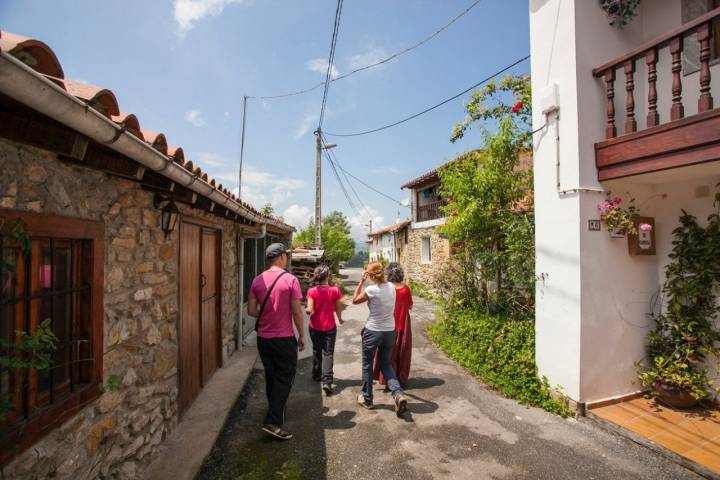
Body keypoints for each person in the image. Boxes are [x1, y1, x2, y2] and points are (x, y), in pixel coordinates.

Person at [248, 243, 305, 440]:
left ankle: (276, 412)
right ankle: (272, 422)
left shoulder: (257, 280)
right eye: (286, 256)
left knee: (272, 376)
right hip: (283, 338)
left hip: (263, 339)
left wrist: (267, 316)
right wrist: (302, 335)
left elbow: (251, 311)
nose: (287, 259)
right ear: (281, 257)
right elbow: (297, 311)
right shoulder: (290, 280)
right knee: (285, 376)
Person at [352, 261, 408, 416]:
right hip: (389, 331)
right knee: (386, 364)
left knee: (367, 365)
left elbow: (354, 300)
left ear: (370, 275)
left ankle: (367, 398)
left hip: (373, 331)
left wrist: (360, 282)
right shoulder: (391, 287)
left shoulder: (371, 290)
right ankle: (397, 393)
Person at [305, 265, 344, 396]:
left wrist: (309, 310)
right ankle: (327, 381)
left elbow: (310, 308)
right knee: (328, 353)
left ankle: (316, 375)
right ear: (328, 276)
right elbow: (338, 308)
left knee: (316, 349)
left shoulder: (312, 291)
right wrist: (340, 319)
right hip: (330, 327)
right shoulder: (335, 290)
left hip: (314, 326)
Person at [373, 262, 413, 387]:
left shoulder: (386, 288)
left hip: (388, 323)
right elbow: (410, 306)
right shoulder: (406, 289)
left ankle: (387, 379)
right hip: (403, 323)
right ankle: (401, 378)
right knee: (402, 350)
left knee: (388, 352)